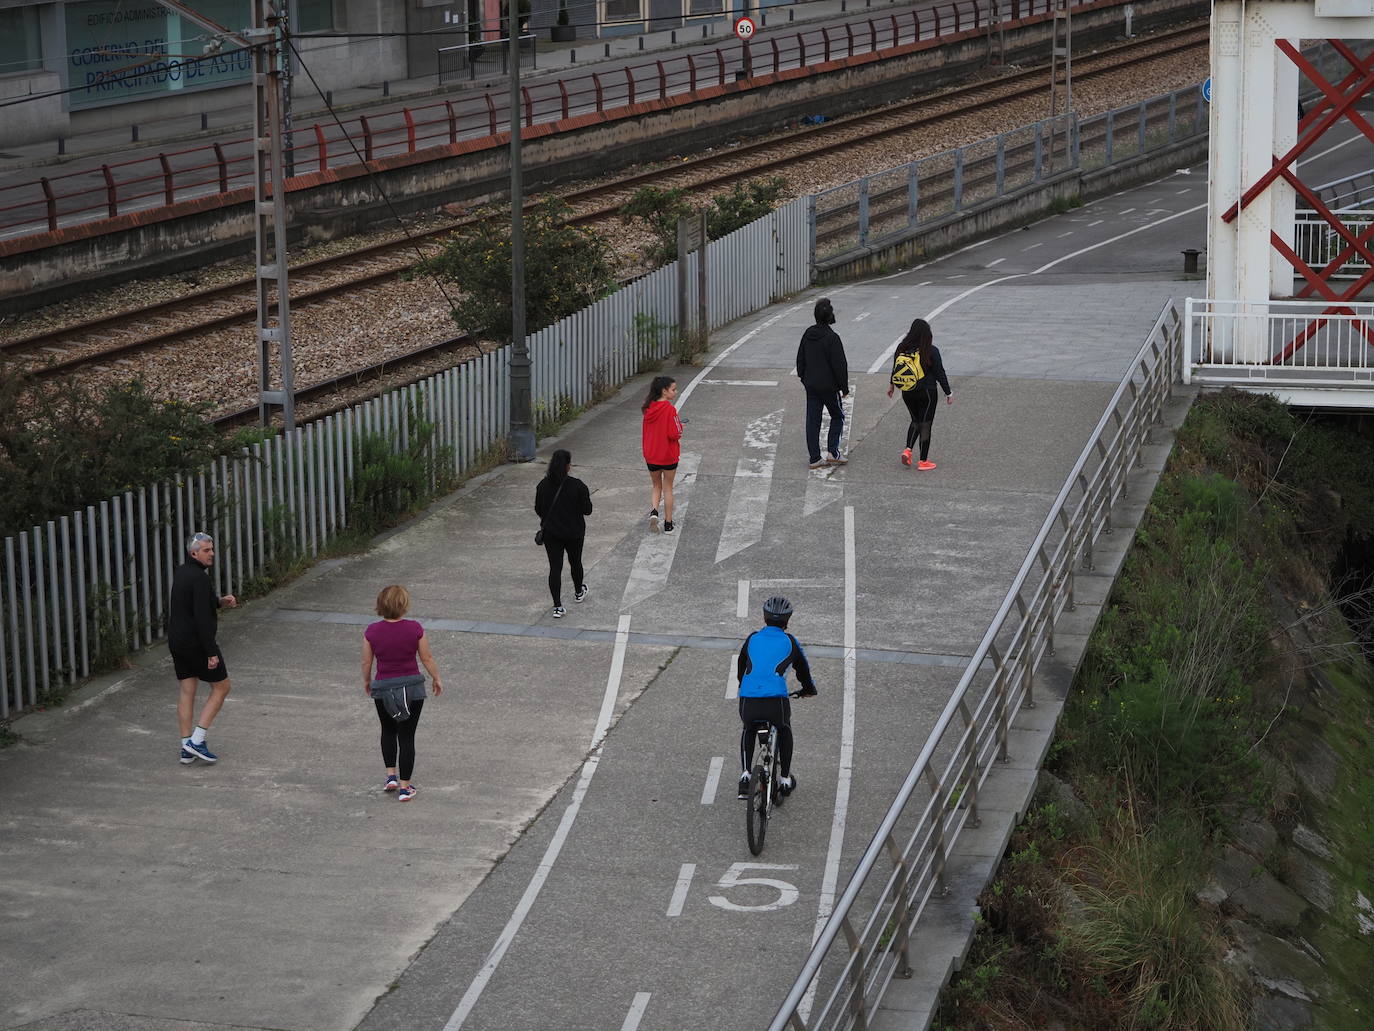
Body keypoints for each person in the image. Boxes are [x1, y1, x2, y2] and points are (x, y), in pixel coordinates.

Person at [361, 585, 442, 801]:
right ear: (404, 605)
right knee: (407, 736)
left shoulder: (372, 631)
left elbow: (367, 661)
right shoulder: (415, 628)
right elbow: (426, 658)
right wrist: (436, 678)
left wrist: (368, 681)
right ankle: (406, 788)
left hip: (383, 687)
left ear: (380, 605)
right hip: (412, 688)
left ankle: (391, 776)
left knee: (388, 730)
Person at [735, 595, 818, 799]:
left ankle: (746, 775)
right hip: (775, 702)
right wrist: (808, 689)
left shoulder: (752, 638)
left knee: (749, 728)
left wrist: (746, 687)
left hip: (749, 699)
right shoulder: (790, 641)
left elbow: (740, 667)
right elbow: (803, 671)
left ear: (764, 618)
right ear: (787, 621)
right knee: (784, 728)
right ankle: (785, 779)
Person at [167, 531, 237, 765]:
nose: (212, 554)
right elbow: (202, 618)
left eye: (212, 549)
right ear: (193, 552)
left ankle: (186, 748)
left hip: (178, 643)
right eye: (207, 550)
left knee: (187, 691)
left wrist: (219, 601)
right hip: (196, 643)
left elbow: (193, 603)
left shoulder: (182, 572)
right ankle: (198, 740)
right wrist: (211, 652)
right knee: (222, 687)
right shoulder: (199, 578)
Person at [886, 317, 953, 470]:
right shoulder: (930, 350)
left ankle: (908, 450)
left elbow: (896, 368)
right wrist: (948, 392)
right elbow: (939, 373)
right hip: (927, 392)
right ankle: (923, 461)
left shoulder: (901, 348)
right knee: (925, 424)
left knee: (915, 420)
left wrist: (891, 386)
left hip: (907, 391)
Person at [534, 448, 594, 618]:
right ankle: (578, 591)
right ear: (567, 466)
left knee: (555, 567)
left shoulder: (542, 486)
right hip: (574, 533)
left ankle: (557, 606)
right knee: (575, 562)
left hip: (552, 534)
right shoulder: (578, 486)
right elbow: (587, 510)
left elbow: (538, 509)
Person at [796, 297, 850, 469]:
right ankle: (833, 452)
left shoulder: (808, 334)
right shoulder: (832, 338)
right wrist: (844, 387)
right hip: (829, 387)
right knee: (838, 415)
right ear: (830, 317)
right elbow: (840, 365)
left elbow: (800, 360)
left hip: (811, 385)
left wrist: (804, 378)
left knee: (813, 421)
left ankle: (814, 458)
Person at [641, 375, 683, 533]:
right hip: (668, 455)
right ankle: (668, 522)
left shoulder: (648, 408)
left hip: (651, 455)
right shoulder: (669, 409)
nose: (676, 392)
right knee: (668, 488)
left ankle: (654, 512)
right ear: (664, 391)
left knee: (656, 485)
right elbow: (675, 433)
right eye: (673, 389)